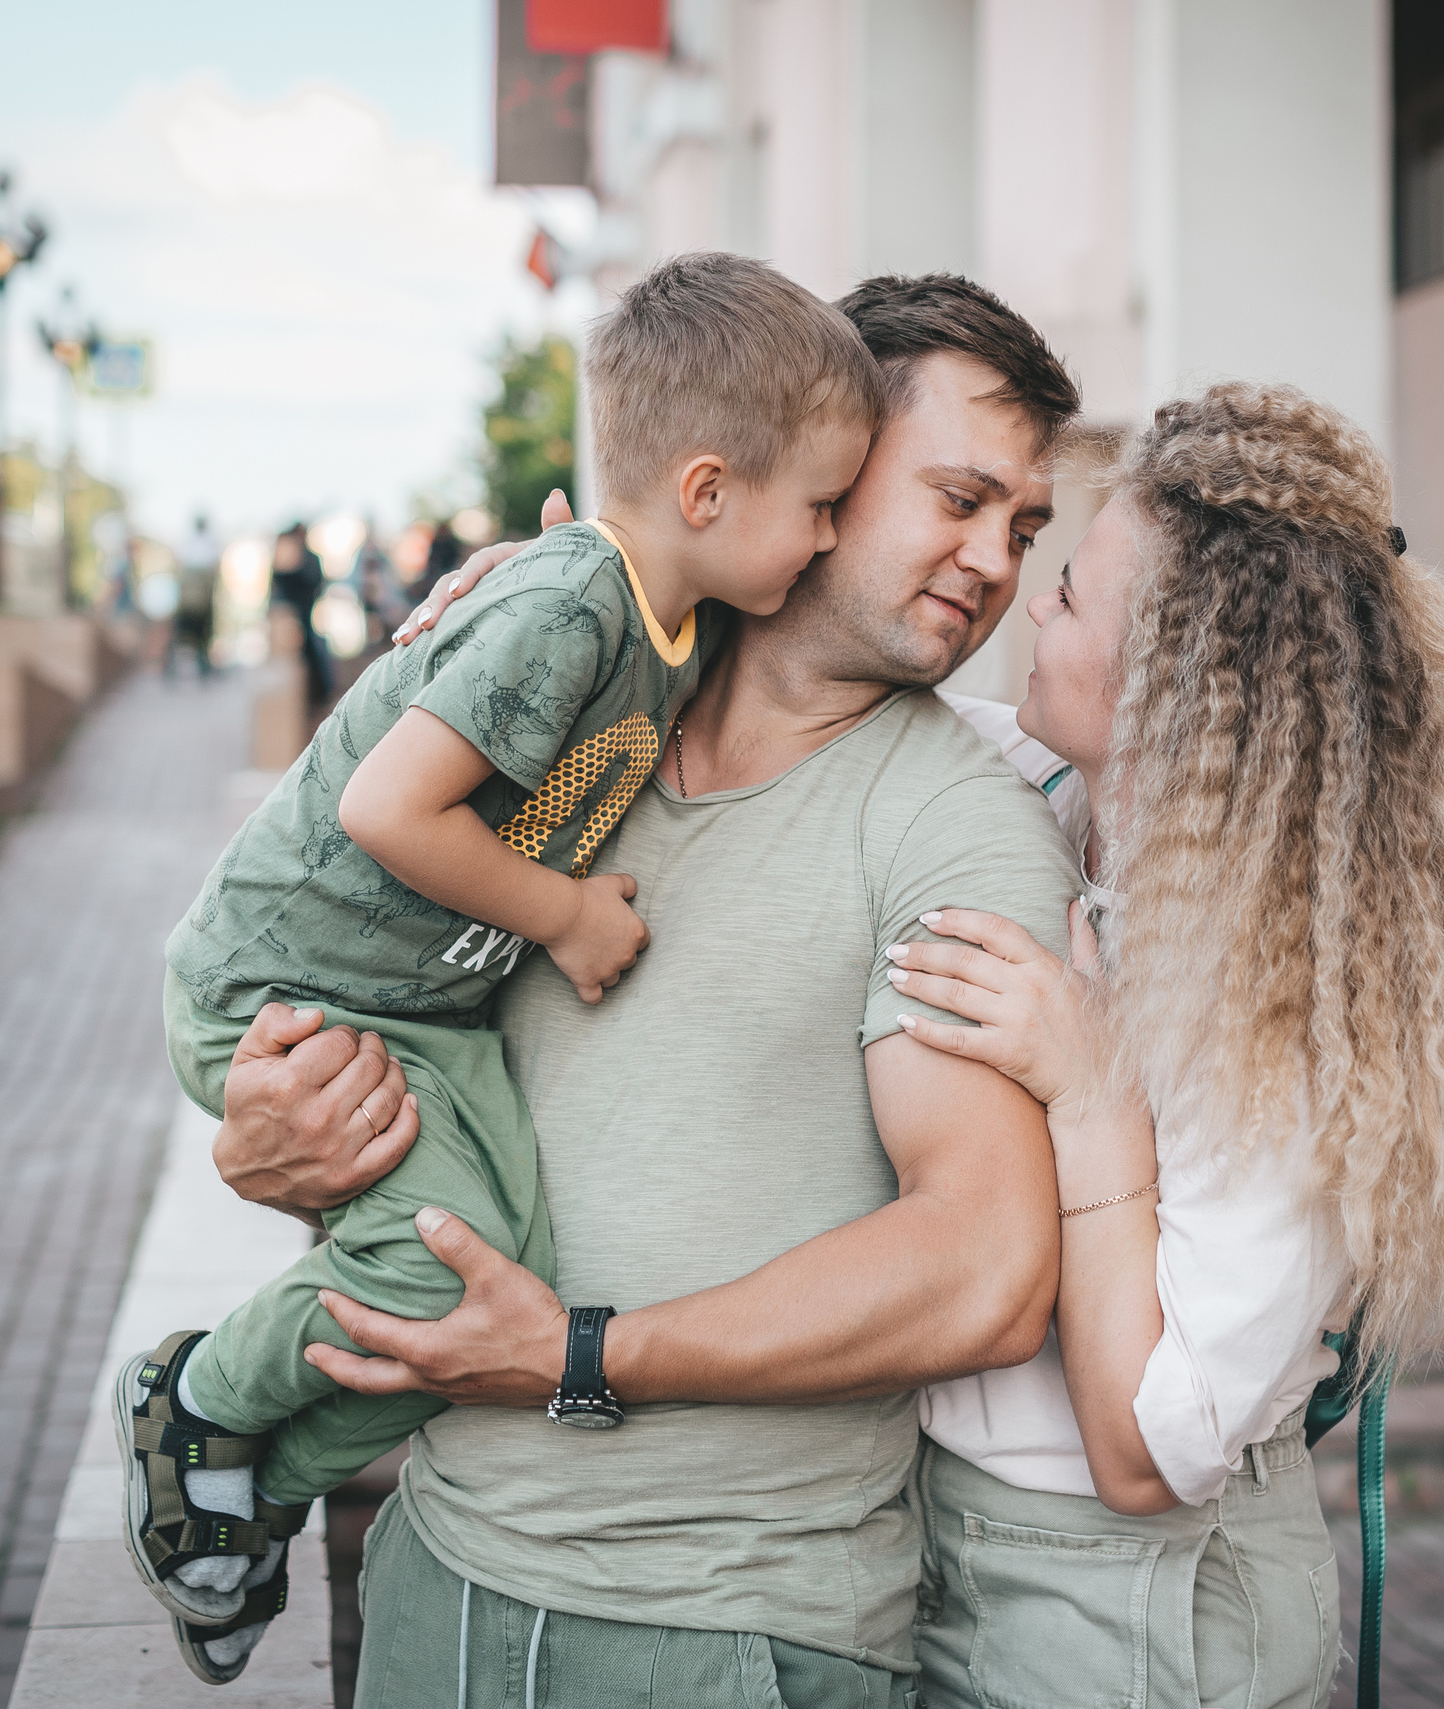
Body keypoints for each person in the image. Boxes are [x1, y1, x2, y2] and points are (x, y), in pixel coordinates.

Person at [207, 273, 1085, 1707]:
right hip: (438, 1574)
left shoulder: (954, 822)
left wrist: (580, 1357)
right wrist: (274, 1134)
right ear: (820, 465)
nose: (994, 560)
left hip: (731, 1630)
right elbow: (363, 1006)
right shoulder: (564, 723)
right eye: (960, 498)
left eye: (1026, 527)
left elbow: (981, 1268)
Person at [117, 253, 883, 1684]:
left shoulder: (683, 608)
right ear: (707, 492)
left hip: (422, 996)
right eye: (825, 504)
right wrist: (567, 916)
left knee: (494, 1283)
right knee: (427, 1270)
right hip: (295, 982)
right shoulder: (571, 607)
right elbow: (382, 807)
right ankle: (196, 1398)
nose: (835, 539)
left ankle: (253, 1490)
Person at [882, 383, 1444, 1706]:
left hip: (1148, 1612)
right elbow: (812, 704)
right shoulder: (1051, 786)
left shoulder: (1290, 1002)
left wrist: (1091, 1092)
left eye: (1070, 589)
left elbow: (1149, 1449)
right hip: (955, 1553)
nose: (1032, 601)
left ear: (1171, 689)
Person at [269, 521, 333, 703]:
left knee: (313, 654)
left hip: (302, 615)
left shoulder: (306, 557)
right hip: (289, 617)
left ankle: (320, 694)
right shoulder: (290, 555)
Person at [170, 512, 220, 679]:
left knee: (183, 637)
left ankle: (176, 671)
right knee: (201, 637)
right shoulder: (208, 545)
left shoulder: (188, 544)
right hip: (200, 601)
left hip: (189, 600)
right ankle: (202, 669)